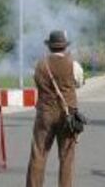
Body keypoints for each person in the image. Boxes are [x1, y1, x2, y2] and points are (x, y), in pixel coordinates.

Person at [26, 30, 78, 187]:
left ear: (50, 47)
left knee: (39, 153)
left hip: (45, 113)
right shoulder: (73, 64)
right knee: (66, 157)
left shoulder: (41, 65)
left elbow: (38, 83)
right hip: (67, 114)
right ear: (64, 47)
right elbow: (79, 82)